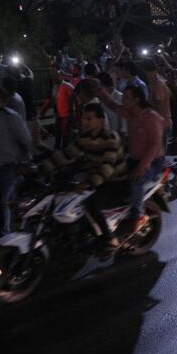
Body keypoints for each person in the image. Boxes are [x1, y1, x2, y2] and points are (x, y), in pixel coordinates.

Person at [42, 102, 128, 252]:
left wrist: (89, 183)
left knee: (91, 204)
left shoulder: (110, 138)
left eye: (89, 119)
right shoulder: (84, 137)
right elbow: (65, 155)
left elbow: (107, 167)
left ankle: (110, 238)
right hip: (96, 178)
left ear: (101, 120)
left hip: (115, 181)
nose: (84, 122)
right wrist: (40, 168)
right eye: (83, 118)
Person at [98, 85, 165, 232]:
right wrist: (101, 92)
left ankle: (138, 215)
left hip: (152, 162)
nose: (123, 99)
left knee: (136, 181)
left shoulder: (151, 117)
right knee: (110, 173)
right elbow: (113, 106)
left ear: (137, 99)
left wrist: (142, 167)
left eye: (127, 97)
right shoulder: (130, 113)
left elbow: (155, 145)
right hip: (133, 158)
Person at [0, 85, 32, 235]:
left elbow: (25, 139)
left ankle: (5, 233)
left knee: (4, 199)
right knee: (8, 198)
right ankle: (22, 218)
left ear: (1, 100)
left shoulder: (10, 116)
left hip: (10, 164)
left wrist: (24, 161)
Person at [142, 59, 173, 146]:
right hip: (162, 120)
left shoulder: (158, 83)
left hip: (161, 121)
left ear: (144, 70)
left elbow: (158, 105)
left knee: (159, 149)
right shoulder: (157, 79)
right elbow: (170, 94)